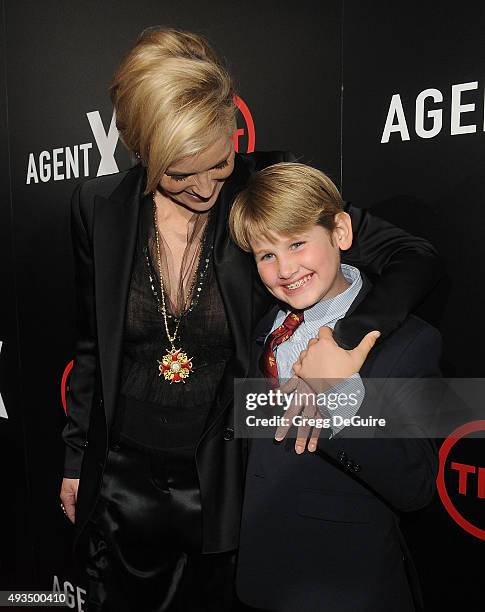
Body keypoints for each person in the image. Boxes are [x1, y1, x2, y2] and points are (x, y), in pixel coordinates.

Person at [59, 27, 442, 612]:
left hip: (223, 478)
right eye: (181, 174)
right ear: (143, 149)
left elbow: (411, 257)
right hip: (120, 478)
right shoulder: (97, 207)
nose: (208, 187)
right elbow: (91, 345)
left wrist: (340, 343)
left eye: (220, 162)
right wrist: (75, 462)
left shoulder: (263, 187)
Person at [228, 162, 441, 612]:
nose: (284, 268)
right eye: (266, 255)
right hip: (259, 583)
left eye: (298, 243)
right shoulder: (260, 332)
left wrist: (341, 395)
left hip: (347, 589)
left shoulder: (408, 342)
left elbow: (416, 485)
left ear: (340, 231)